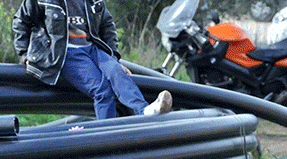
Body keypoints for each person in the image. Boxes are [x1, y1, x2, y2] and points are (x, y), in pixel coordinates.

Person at [12, 0, 173, 120]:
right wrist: (25, 54)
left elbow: (107, 25)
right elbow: (20, 21)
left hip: (93, 48)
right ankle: (106, 139)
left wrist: (114, 57)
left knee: (116, 71)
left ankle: (146, 111)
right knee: (102, 90)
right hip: (65, 54)